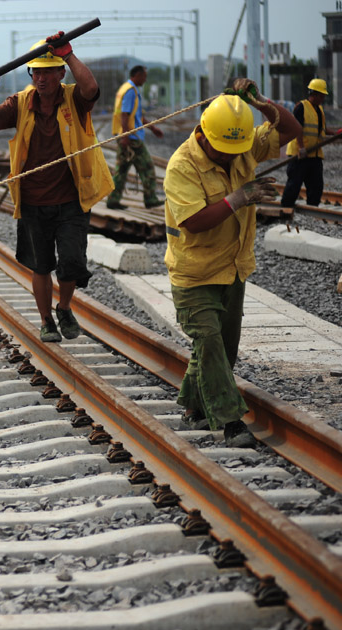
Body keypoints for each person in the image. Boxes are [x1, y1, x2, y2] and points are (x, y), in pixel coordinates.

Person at [163, 82, 301, 447]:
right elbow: (192, 220)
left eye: (233, 151)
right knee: (208, 340)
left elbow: (291, 130)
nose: (229, 157)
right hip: (194, 273)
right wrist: (239, 198)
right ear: (204, 135)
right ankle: (231, 421)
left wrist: (259, 102)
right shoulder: (182, 165)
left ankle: (193, 407)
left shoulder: (238, 147)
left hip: (233, 267)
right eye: (222, 151)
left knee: (223, 347)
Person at [0, 34, 113, 343]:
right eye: (35, 71)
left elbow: (92, 89)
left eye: (48, 71)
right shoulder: (21, 103)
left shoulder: (74, 99)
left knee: (72, 262)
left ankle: (64, 307)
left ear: (61, 72)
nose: (40, 77)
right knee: (40, 265)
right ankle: (47, 320)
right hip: (33, 200)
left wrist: (69, 53)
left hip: (72, 198)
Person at [106, 65, 164, 210]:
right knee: (147, 167)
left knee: (121, 170)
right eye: (144, 76)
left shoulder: (125, 88)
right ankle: (150, 199)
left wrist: (153, 128)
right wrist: (126, 136)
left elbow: (138, 116)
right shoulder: (131, 91)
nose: (145, 80)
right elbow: (124, 114)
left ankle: (113, 200)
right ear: (137, 75)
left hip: (127, 136)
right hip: (131, 138)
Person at [281, 78, 338, 208]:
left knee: (316, 186)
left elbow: (321, 129)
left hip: (315, 155)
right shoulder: (301, 107)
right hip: (300, 155)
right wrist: (301, 148)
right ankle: (285, 209)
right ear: (315, 94)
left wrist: (335, 134)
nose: (323, 98)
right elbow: (297, 129)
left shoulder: (319, 110)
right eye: (322, 95)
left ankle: (312, 211)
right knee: (294, 185)